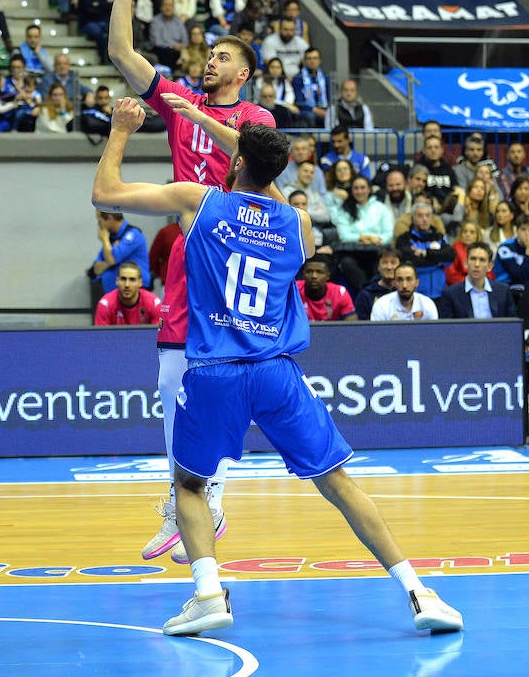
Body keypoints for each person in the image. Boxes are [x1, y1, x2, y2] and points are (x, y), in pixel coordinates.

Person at [91, 99, 461, 635]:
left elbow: (106, 193)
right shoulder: (299, 223)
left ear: (233, 160)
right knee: (338, 482)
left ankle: (208, 593)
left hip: (215, 369)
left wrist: (122, 129)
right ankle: (418, 590)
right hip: (276, 370)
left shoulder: (199, 203)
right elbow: (260, 176)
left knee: (190, 487)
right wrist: (243, 148)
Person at [107, 0, 274, 567]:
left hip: (234, 253)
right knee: (170, 380)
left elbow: (257, 157)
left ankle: (216, 492)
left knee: (220, 379)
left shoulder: (254, 116)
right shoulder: (179, 97)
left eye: (224, 56)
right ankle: (183, 500)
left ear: (245, 73)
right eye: (210, 54)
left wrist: (195, 112)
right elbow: (124, 55)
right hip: (186, 251)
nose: (211, 60)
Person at [437, 243, 514, 319]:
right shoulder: (451, 294)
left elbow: (511, 326)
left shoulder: (503, 291)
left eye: (482, 260)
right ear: (466, 263)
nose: (477, 264)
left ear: (489, 266)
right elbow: (447, 329)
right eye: (473, 259)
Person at [90, 210, 150, 292]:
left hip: (135, 293)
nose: (99, 225)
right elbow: (96, 269)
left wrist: (104, 239)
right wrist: (110, 261)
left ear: (110, 218)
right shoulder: (111, 240)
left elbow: (112, 259)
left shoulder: (133, 234)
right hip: (113, 295)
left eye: (100, 221)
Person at [94, 261, 162, 325]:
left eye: (132, 280)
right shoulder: (105, 305)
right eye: (123, 279)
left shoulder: (154, 304)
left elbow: (160, 334)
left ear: (140, 283)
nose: (127, 285)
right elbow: (101, 337)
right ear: (117, 281)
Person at [370, 262, 438, 321]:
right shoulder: (381, 305)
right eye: (400, 280)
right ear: (394, 283)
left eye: (409, 279)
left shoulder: (427, 304)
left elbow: (434, 334)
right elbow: (376, 334)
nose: (404, 285)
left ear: (417, 282)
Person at [296, 255, 356, 321]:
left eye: (319, 272)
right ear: (303, 274)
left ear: (328, 276)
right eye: (309, 271)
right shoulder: (294, 291)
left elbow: (351, 326)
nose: (314, 276)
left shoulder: (339, 293)